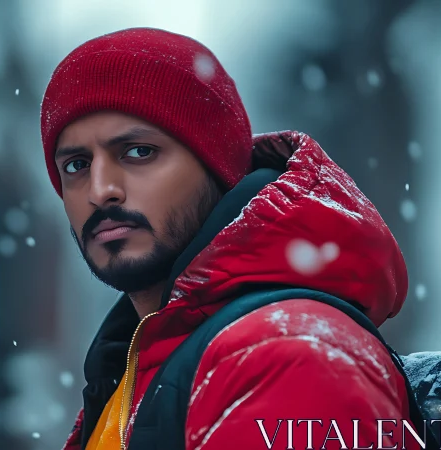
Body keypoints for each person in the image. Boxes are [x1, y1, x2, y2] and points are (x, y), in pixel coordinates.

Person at [40, 27, 419, 450]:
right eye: (75, 165)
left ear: (215, 166)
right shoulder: (142, 364)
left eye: (138, 152)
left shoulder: (286, 355)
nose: (99, 189)